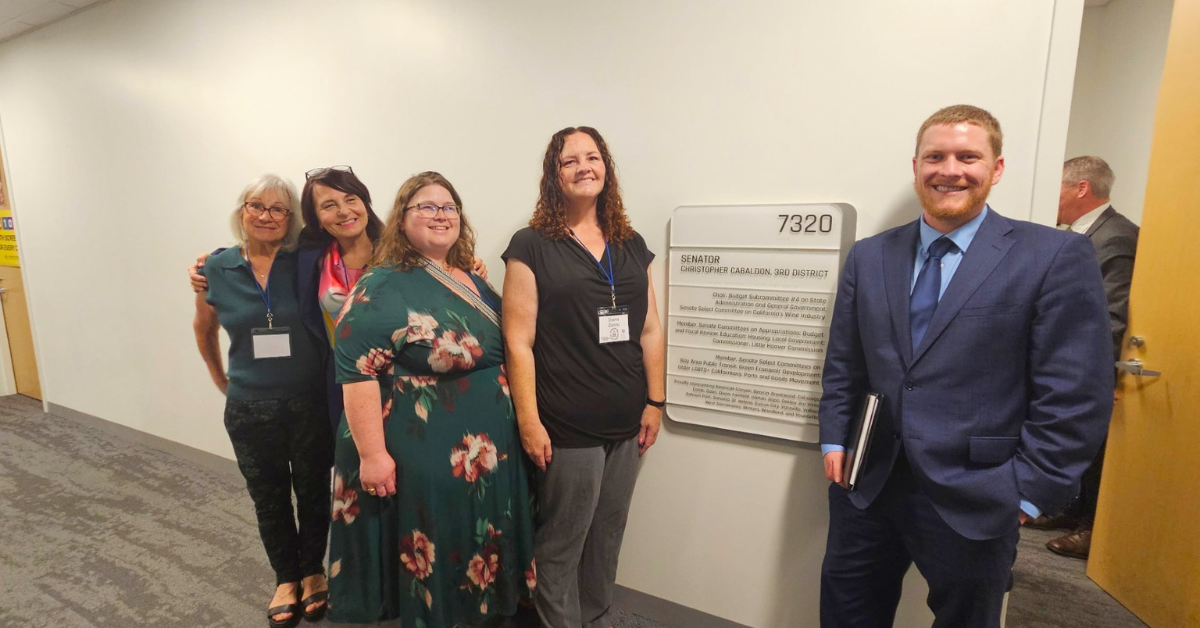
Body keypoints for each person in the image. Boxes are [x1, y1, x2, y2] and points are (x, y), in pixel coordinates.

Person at [817, 105, 1113, 628]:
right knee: (847, 615)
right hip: (870, 484)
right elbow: (846, 360)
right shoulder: (870, 255)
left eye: (968, 157)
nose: (949, 170)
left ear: (996, 169)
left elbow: (1075, 390)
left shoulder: (1053, 255)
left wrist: (1030, 490)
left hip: (980, 492)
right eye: (935, 157)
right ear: (916, 167)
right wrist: (835, 438)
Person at [328, 171, 535, 626]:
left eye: (449, 207)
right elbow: (357, 372)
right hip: (425, 449)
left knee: (471, 536)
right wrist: (372, 456)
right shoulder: (382, 283)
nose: (440, 215)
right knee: (440, 544)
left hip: (484, 448)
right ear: (402, 219)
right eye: (426, 206)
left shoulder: (471, 276)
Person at [502, 126, 665, 628]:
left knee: (607, 533)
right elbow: (518, 342)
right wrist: (528, 421)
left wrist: (655, 402)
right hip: (566, 424)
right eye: (569, 160)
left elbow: (650, 329)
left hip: (627, 420)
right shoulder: (531, 245)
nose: (583, 167)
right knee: (563, 539)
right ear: (554, 175)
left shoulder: (630, 243)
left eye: (592, 157)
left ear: (606, 168)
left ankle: (593, 615)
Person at [188, 166, 486, 428]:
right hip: (340, 377)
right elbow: (261, 252)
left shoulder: (401, 252)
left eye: (351, 199)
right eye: (329, 205)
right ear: (316, 219)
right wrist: (211, 262)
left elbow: (440, 262)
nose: (344, 211)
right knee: (349, 458)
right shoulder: (311, 256)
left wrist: (466, 266)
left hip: (403, 376)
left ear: (365, 204)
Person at [192, 175, 334, 628]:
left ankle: (313, 572)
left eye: (278, 209)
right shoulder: (217, 268)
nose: (266, 216)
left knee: (313, 492)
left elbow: (362, 252)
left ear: (291, 219)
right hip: (249, 408)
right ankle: (286, 579)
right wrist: (221, 380)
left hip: (309, 400)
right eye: (256, 205)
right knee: (268, 498)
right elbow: (204, 327)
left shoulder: (307, 261)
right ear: (242, 211)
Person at [1026, 156, 1139, 560]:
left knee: (1094, 445)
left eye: (1056, 186)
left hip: (1091, 368)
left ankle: (1092, 527)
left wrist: (1098, 377)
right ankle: (1071, 511)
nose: (1050, 197)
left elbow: (1111, 316)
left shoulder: (1116, 237)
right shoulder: (1080, 235)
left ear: (1081, 188)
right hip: (1067, 359)